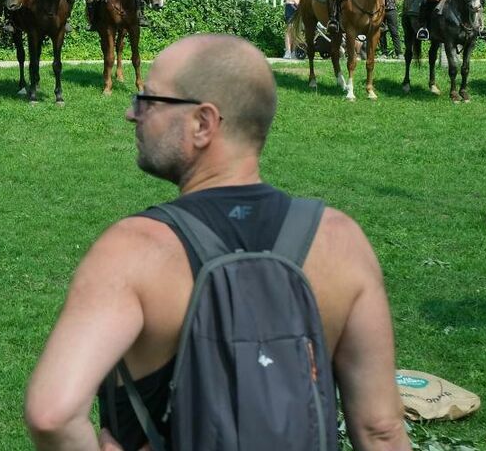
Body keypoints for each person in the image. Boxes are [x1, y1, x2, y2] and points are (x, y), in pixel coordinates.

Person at [25, 34, 409, 451]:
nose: (131, 114)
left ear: (203, 124)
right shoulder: (340, 241)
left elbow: (53, 414)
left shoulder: (135, 250)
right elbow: (381, 430)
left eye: (149, 100)